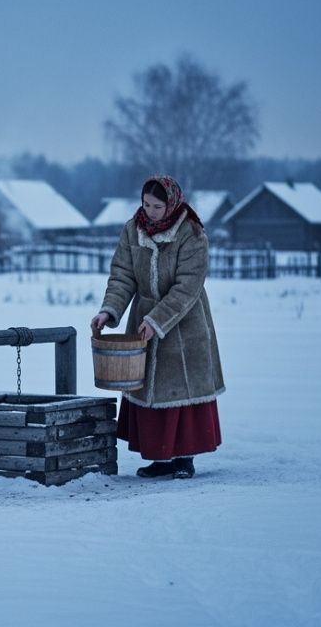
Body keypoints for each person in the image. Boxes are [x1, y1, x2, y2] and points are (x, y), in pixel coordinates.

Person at [91, 175, 224, 479]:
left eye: (156, 206)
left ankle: (184, 458)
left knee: (181, 389)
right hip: (143, 321)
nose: (149, 210)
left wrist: (157, 320)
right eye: (145, 204)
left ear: (172, 203)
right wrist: (109, 311)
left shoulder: (191, 233)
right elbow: (122, 275)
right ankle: (160, 457)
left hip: (185, 323)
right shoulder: (132, 230)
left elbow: (187, 286)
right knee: (149, 388)